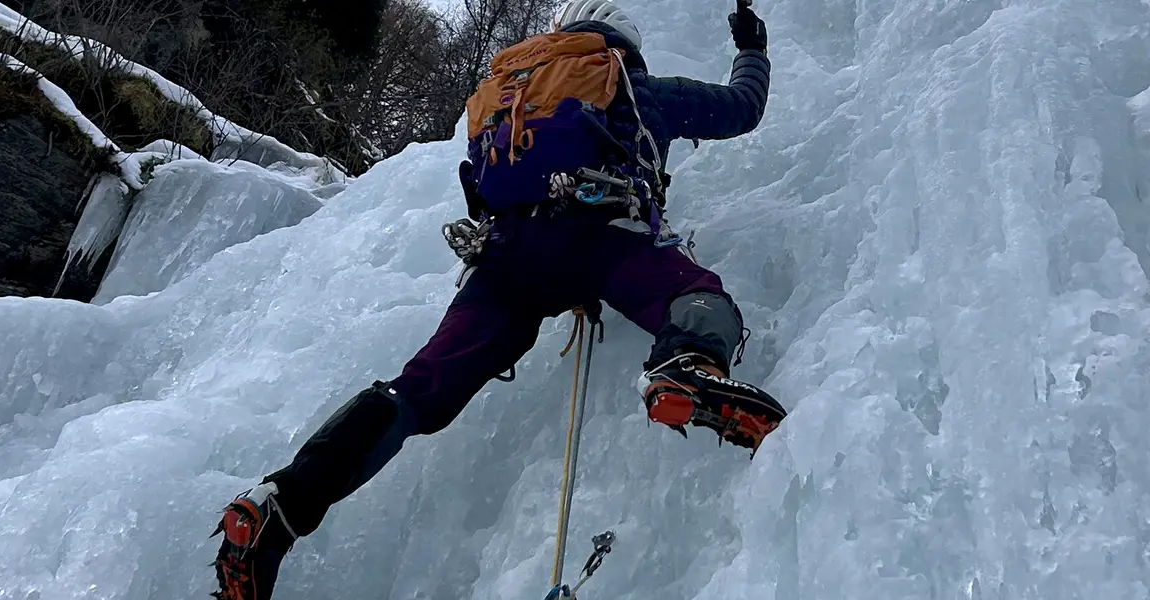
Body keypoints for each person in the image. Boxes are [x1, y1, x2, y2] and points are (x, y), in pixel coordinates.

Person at [212, 2, 779, 598]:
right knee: (696, 294)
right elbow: (744, 108)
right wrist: (751, 46)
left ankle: (282, 501)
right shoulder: (638, 90)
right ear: (625, 47)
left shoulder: (512, 92)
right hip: (602, 241)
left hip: (505, 259)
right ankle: (686, 365)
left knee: (415, 392)